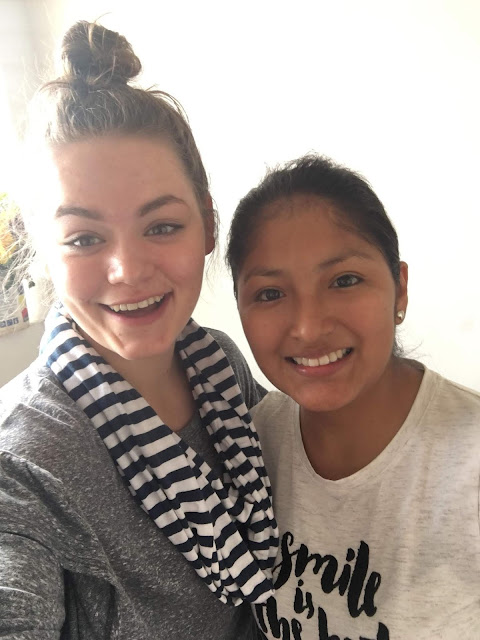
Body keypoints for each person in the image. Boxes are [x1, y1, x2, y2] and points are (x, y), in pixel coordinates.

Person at [0, 21, 278, 639]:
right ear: (42, 253)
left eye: (162, 226)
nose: (127, 270)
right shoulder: (22, 465)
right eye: (83, 239)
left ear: (208, 226)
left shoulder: (221, 368)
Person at [226, 154, 480, 639]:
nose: (308, 327)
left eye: (344, 281)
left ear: (399, 289)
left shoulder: (469, 463)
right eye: (271, 293)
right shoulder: (249, 446)